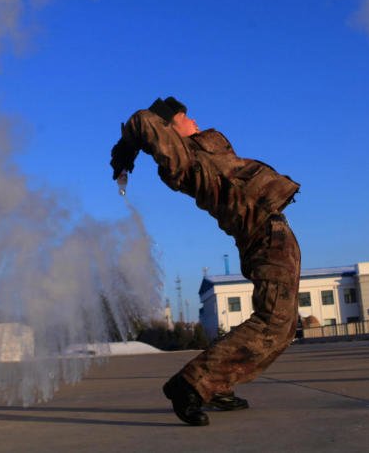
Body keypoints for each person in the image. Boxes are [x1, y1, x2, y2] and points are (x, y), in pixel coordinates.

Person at [110, 96, 302, 426]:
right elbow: (144, 119)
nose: (195, 121)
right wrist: (126, 148)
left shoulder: (202, 148)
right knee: (273, 320)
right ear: (169, 129)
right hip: (261, 234)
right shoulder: (182, 161)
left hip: (273, 231)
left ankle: (216, 384)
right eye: (186, 118)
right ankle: (190, 385)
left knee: (283, 328)